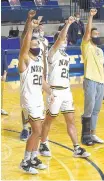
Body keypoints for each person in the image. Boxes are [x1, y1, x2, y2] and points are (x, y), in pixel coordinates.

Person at [39, 16, 90, 158]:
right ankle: (43, 143)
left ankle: (76, 148)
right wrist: (67, 24)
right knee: (49, 120)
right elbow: (60, 38)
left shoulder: (66, 56)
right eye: (63, 39)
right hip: (55, 91)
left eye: (66, 39)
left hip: (66, 91)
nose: (65, 40)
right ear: (57, 41)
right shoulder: (52, 53)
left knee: (71, 120)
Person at [19, 17, 54, 174]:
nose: (36, 48)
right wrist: (31, 28)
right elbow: (24, 48)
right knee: (37, 130)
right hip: (29, 100)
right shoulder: (24, 60)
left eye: (37, 45)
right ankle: (25, 161)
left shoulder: (39, 62)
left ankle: (33, 157)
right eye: (33, 45)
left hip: (38, 99)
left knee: (38, 131)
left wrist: (51, 92)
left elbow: (42, 82)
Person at [20, 10, 49, 141]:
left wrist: (44, 76)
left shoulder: (44, 42)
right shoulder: (29, 38)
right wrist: (29, 20)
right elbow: (25, 34)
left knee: (37, 103)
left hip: (40, 73)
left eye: (41, 24)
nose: (40, 25)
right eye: (38, 23)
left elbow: (44, 59)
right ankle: (25, 128)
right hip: (28, 68)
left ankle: (34, 128)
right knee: (27, 103)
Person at [80, 9, 104, 146]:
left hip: (100, 82)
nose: (97, 35)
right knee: (89, 109)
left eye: (98, 34)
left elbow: (102, 67)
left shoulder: (100, 50)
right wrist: (91, 16)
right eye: (94, 33)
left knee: (96, 110)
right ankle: (85, 136)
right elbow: (86, 33)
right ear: (90, 36)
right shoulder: (86, 46)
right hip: (90, 80)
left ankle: (92, 133)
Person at [1, 49, 8, 115]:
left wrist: (5, 74)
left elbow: (4, 63)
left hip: (0, 76)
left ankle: (0, 109)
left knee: (1, 94)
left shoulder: (1, 51)